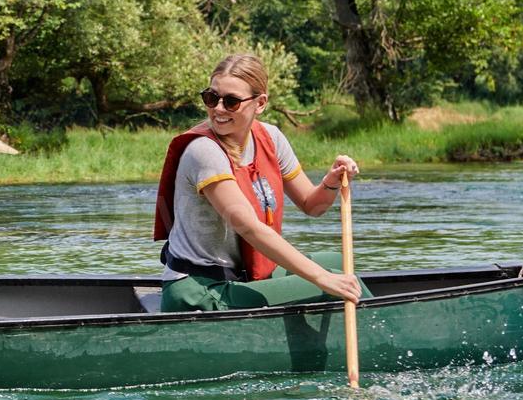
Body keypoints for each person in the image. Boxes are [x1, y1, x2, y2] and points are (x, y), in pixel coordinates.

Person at [153, 53, 368, 313]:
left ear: (260, 103)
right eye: (211, 98)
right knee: (330, 279)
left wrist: (331, 182)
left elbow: (313, 206)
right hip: (200, 289)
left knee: (340, 262)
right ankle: (386, 339)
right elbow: (250, 229)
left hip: (237, 277)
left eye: (231, 102)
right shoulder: (204, 152)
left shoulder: (271, 138)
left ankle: (367, 329)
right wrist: (323, 278)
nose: (218, 109)